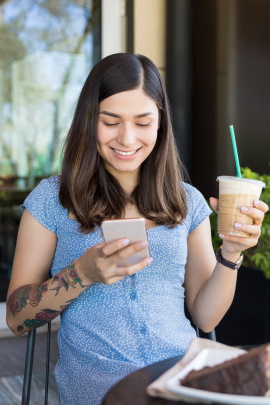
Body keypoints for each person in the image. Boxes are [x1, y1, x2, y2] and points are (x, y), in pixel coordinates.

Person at [6, 53, 268, 405]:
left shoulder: (186, 201)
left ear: (160, 123)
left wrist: (232, 252)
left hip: (179, 377)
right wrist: (82, 273)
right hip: (97, 387)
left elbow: (206, 315)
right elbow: (17, 319)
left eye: (143, 122)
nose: (127, 139)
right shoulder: (53, 199)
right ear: (89, 121)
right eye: (110, 121)